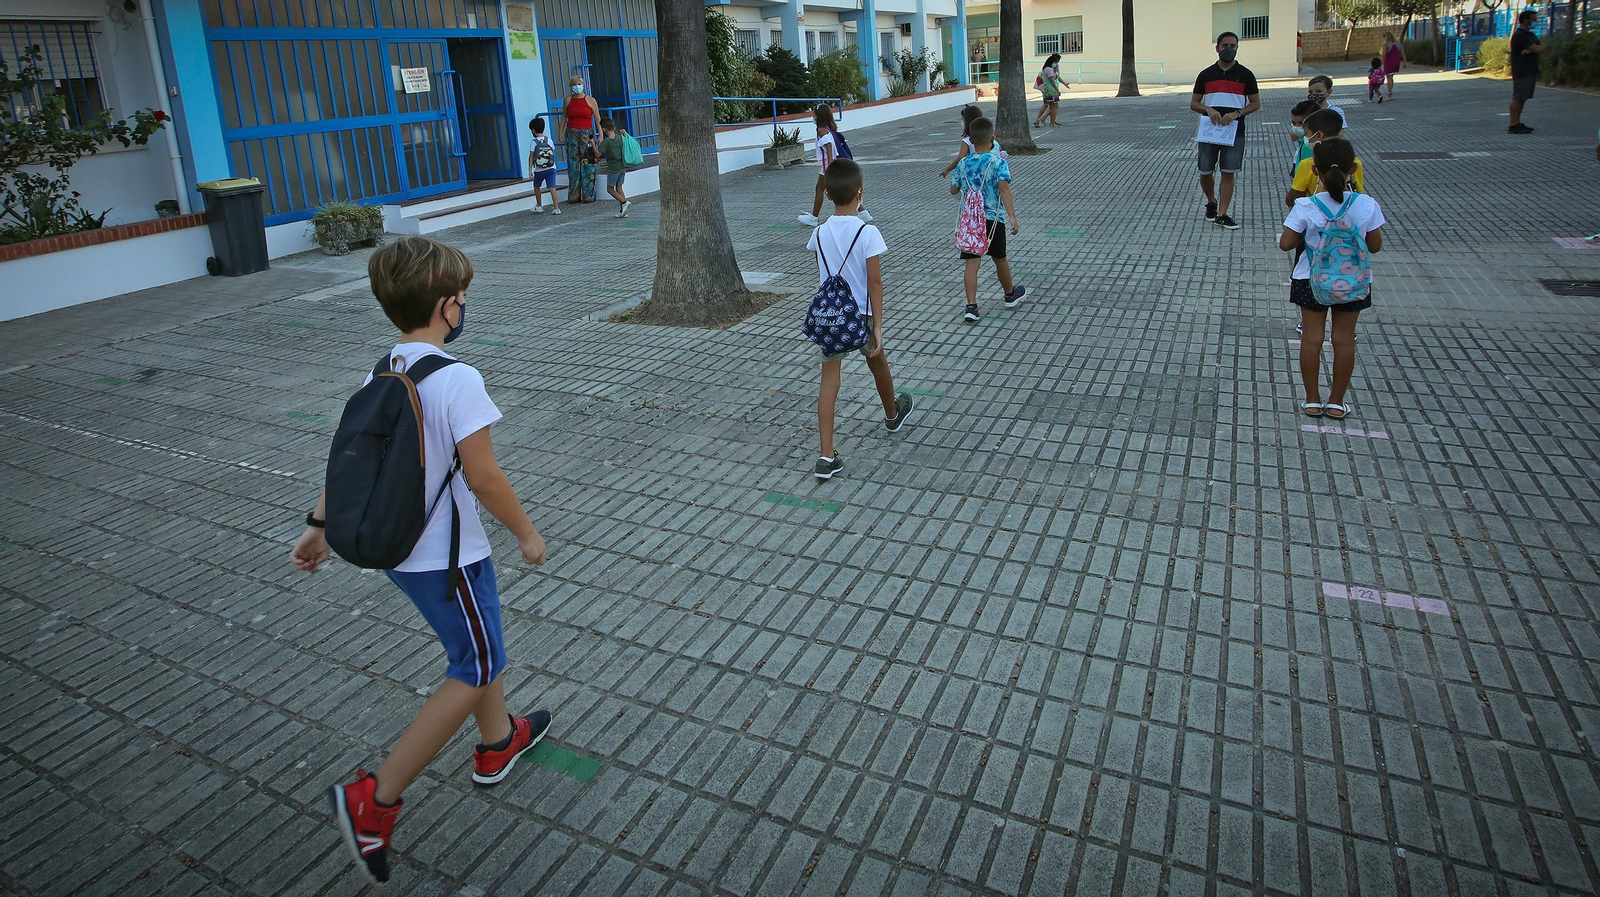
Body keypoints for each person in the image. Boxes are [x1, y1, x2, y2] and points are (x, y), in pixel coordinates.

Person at [294, 236, 551, 884]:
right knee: (477, 658)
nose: (465, 307)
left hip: (403, 555)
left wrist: (319, 525)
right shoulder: (458, 379)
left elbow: (354, 459)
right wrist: (526, 533)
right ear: (447, 306)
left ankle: (499, 742)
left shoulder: (385, 366)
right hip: (451, 557)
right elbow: (486, 477)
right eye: (462, 297)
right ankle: (374, 800)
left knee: (476, 647)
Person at [807, 158, 913, 480]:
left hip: (832, 318)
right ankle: (892, 414)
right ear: (860, 194)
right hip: (862, 316)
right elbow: (875, 283)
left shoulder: (820, 233)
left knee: (829, 379)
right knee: (877, 361)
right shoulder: (868, 232)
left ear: (826, 195)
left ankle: (826, 455)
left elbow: (824, 273)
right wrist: (878, 326)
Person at [1279, 137, 1384, 421]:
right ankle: (1337, 402)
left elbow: (1286, 244)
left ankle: (1312, 400)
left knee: (1311, 339)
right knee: (1344, 340)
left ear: (1315, 171)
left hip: (1310, 279)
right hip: (1354, 282)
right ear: (1353, 169)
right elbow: (1374, 245)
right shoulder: (1366, 205)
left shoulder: (1306, 205)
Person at [949, 116, 1023, 323]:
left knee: (972, 263)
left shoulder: (963, 163)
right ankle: (1010, 294)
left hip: (971, 221)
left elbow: (954, 189)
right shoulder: (998, 162)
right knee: (1000, 258)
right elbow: (1004, 188)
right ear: (993, 139)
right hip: (993, 219)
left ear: (970, 141)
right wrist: (1012, 217)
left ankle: (971, 307)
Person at [1191, 31, 1261, 230]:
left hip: (1234, 132)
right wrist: (1207, 109)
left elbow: (1255, 103)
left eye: (1233, 46)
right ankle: (1211, 202)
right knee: (1205, 172)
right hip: (1209, 132)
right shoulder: (1205, 75)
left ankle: (1222, 214)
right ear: (1217, 48)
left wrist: (1237, 114)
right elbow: (1194, 103)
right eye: (1225, 46)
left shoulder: (1246, 75)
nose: (1229, 49)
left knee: (1228, 172)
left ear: (1237, 48)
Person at [799, 104, 871, 226]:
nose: (813, 116)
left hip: (828, 164)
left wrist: (831, 167)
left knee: (820, 189)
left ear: (818, 115)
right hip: (832, 162)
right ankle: (863, 212)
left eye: (814, 113)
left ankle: (814, 217)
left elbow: (828, 146)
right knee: (840, 188)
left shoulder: (821, 130)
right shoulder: (829, 129)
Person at [1285, 109, 1365, 207]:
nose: (1305, 137)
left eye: (1306, 133)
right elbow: (1358, 191)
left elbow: (1293, 197)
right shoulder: (1355, 162)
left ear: (1319, 135)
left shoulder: (1307, 164)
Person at [559, 74, 599, 202]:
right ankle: (574, 194)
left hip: (587, 134)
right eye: (574, 84)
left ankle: (588, 194)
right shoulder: (568, 100)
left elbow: (597, 119)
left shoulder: (591, 100)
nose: (577, 86)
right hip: (572, 133)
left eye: (579, 84)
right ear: (571, 87)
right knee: (573, 164)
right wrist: (561, 132)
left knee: (588, 162)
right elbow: (564, 116)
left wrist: (601, 135)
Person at [940, 104, 1003, 178]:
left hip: (975, 175)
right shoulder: (991, 139)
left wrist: (947, 170)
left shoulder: (967, 141)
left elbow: (961, 158)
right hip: (991, 173)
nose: (962, 123)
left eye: (963, 120)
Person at [1509, 9, 1545, 135]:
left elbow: (1541, 47)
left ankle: (1517, 123)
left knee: (1523, 98)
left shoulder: (1530, 35)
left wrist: (1533, 49)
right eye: (1533, 19)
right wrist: (1533, 49)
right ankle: (1514, 124)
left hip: (1530, 70)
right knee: (1518, 97)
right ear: (1525, 20)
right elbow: (1536, 48)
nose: (1535, 21)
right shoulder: (1520, 35)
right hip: (1522, 71)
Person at [597, 118, 631, 218]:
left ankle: (624, 202)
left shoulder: (606, 142)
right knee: (619, 187)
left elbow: (598, 154)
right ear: (614, 127)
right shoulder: (620, 137)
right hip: (622, 166)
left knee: (610, 189)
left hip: (613, 168)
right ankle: (623, 211)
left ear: (604, 129)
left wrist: (593, 144)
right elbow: (626, 137)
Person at [526, 118, 560, 215]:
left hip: (540, 170)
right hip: (551, 168)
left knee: (537, 186)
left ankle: (539, 205)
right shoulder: (549, 140)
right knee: (552, 187)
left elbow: (531, 156)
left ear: (533, 130)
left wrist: (530, 170)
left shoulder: (534, 142)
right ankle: (556, 208)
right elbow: (552, 153)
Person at [1033, 53, 1064, 128]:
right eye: (1056, 62)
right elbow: (1052, 80)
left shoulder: (1050, 69)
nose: (1056, 64)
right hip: (1051, 90)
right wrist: (1057, 90)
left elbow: (1057, 76)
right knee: (1052, 106)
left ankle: (1048, 120)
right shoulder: (1049, 69)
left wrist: (1064, 83)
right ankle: (1044, 119)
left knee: (1053, 106)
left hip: (1049, 89)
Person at [1289, 99, 1320, 174]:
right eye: (1293, 123)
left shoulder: (1310, 144)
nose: (1296, 127)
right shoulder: (1303, 139)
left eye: (1301, 123)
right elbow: (1293, 137)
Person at [1381, 32, 1405, 100]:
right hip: (1396, 62)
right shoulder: (1399, 44)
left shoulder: (1386, 44)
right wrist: (1404, 62)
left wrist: (1381, 62)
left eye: (1384, 36)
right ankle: (1390, 91)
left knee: (1389, 78)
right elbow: (1403, 53)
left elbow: (1384, 54)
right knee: (1391, 77)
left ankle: (1390, 93)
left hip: (1388, 62)